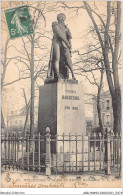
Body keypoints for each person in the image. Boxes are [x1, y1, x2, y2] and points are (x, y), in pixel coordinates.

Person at [47, 13, 76, 80]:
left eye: (64, 17)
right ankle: (57, 75)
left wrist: (70, 46)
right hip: (57, 42)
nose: (62, 19)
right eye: (61, 17)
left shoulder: (66, 28)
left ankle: (73, 75)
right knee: (57, 58)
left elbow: (69, 37)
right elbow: (59, 34)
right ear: (58, 18)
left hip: (65, 45)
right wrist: (67, 42)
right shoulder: (55, 24)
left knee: (68, 59)